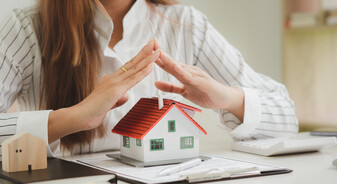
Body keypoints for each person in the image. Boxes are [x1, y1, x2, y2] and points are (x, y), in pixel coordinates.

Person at [0, 0, 298, 157]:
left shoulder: (186, 25)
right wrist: (73, 118)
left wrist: (227, 98)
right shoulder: (26, 28)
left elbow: (287, 115)